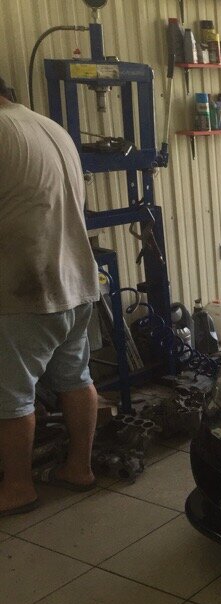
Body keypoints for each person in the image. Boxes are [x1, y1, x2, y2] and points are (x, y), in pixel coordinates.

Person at [0, 74, 100, 515]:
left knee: (11, 396)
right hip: (76, 281)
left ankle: (17, 488)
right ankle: (79, 469)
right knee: (75, 378)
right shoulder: (50, 126)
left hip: (25, 289)